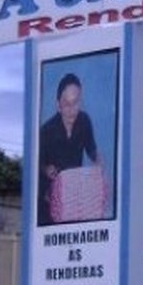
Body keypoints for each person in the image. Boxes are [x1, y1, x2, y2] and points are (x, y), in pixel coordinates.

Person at [38, 73, 105, 225]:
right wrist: (46, 169)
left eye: (75, 103)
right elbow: (37, 162)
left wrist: (98, 160)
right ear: (58, 105)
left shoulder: (84, 121)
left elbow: (91, 149)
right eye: (66, 104)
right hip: (49, 199)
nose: (71, 109)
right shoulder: (46, 130)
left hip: (73, 197)